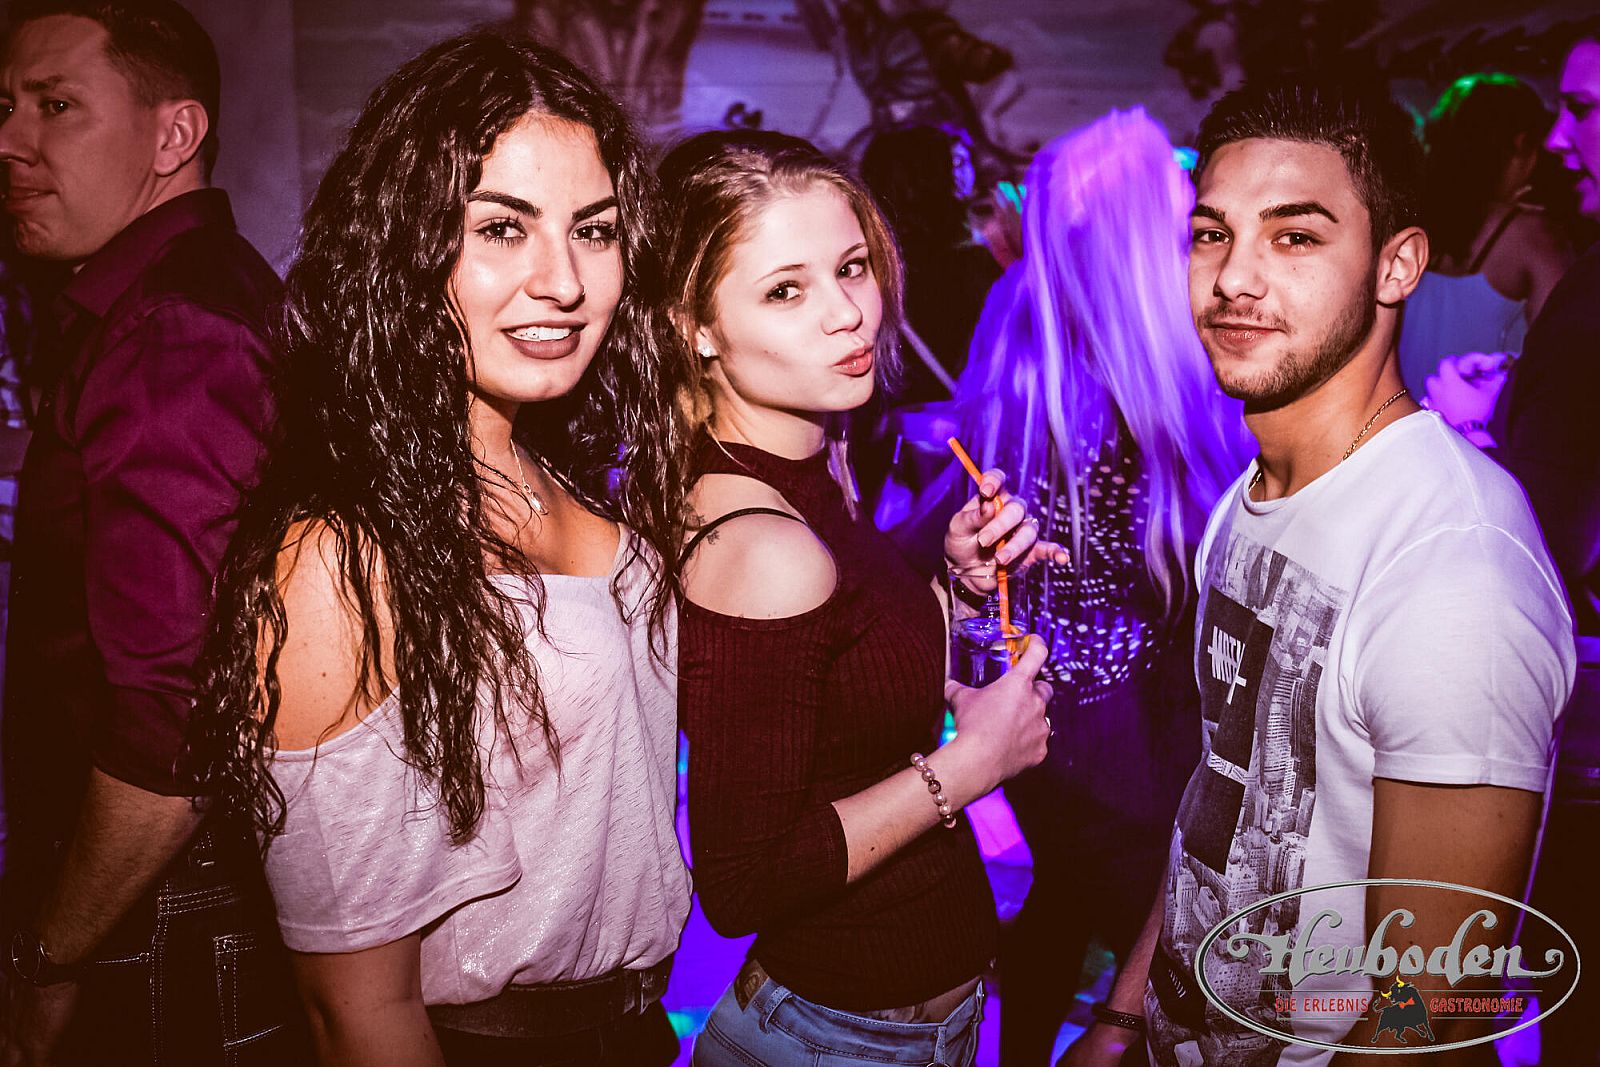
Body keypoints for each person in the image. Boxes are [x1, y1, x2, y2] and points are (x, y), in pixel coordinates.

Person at [184, 30, 693, 1067]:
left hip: (636, 1031)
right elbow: (355, 1009)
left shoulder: (567, 474)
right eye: (502, 227)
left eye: (594, 231)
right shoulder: (341, 558)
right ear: (408, 249)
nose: (564, 280)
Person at [1066, 77, 1574, 1066]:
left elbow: (1427, 1004)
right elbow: (1220, 799)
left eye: (1294, 236)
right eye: (1211, 234)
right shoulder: (1250, 498)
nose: (1232, 279)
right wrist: (1125, 1016)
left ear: (1398, 264)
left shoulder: (1452, 571)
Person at [658, 129, 1060, 1067]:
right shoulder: (759, 539)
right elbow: (744, 880)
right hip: (837, 1037)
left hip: (893, 1024)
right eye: (785, 290)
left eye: (851, 268)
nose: (848, 314)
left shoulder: (814, 456)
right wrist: (972, 764)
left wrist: (955, 584)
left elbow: (835, 686)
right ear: (695, 329)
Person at [0, 2, 305, 1062]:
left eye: (55, 106)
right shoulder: (169, 299)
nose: (9, 141)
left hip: (157, 920)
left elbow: (176, 716)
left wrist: (49, 959)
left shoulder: (173, 326)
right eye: (5, 106)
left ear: (174, 135)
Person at [956, 107, 1246, 1065]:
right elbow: (1187, 573)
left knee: (1063, 896)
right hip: (1122, 726)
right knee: (1150, 940)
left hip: (1041, 703)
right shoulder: (1145, 387)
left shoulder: (1027, 324)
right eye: (1184, 213)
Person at [1397, 73, 1573, 398]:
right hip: (1477, 420)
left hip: (1406, 414)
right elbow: (1561, 356)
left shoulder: (1409, 220)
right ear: (1521, 144)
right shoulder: (1532, 236)